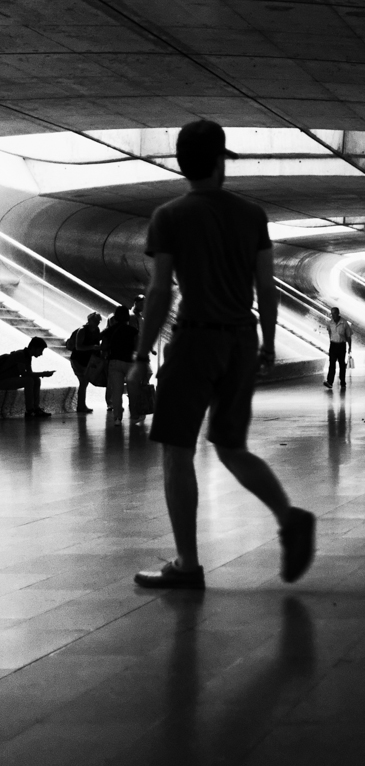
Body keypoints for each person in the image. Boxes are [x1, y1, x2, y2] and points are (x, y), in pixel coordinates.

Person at [129, 118, 314, 590]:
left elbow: (160, 292)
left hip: (195, 340)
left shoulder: (169, 216)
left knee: (176, 450)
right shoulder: (251, 215)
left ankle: (187, 565)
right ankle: (288, 516)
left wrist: (140, 356)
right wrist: (269, 342)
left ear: (182, 164)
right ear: (218, 162)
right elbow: (265, 286)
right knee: (231, 447)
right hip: (240, 338)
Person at [100, 306, 141, 427]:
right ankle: (134, 416)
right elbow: (137, 348)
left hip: (114, 362)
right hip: (130, 363)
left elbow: (103, 347)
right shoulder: (133, 331)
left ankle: (117, 418)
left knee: (116, 392)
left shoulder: (109, 330)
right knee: (133, 391)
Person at [0, 337, 53, 419]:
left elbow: (30, 374)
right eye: (40, 350)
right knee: (28, 381)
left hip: (9, 380)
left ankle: (36, 408)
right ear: (33, 348)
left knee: (36, 380)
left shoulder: (27, 356)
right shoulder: (20, 355)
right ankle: (29, 410)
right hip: (2, 380)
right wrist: (43, 373)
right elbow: (24, 374)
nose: (41, 353)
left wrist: (41, 374)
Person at [68, 312, 102, 413]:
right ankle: (81, 406)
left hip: (87, 360)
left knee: (84, 382)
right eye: (95, 321)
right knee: (83, 381)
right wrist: (92, 347)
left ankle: (81, 405)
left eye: (98, 321)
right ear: (90, 320)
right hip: (78, 360)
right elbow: (78, 347)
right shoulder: (82, 330)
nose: (97, 323)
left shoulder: (96, 330)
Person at [323, 306, 353, 390]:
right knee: (332, 364)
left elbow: (349, 336)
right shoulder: (330, 323)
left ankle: (342, 381)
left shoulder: (344, 323)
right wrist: (331, 340)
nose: (333, 315)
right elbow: (329, 331)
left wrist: (350, 347)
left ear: (338, 313)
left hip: (341, 345)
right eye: (331, 313)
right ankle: (330, 382)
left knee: (342, 364)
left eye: (334, 313)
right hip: (333, 345)